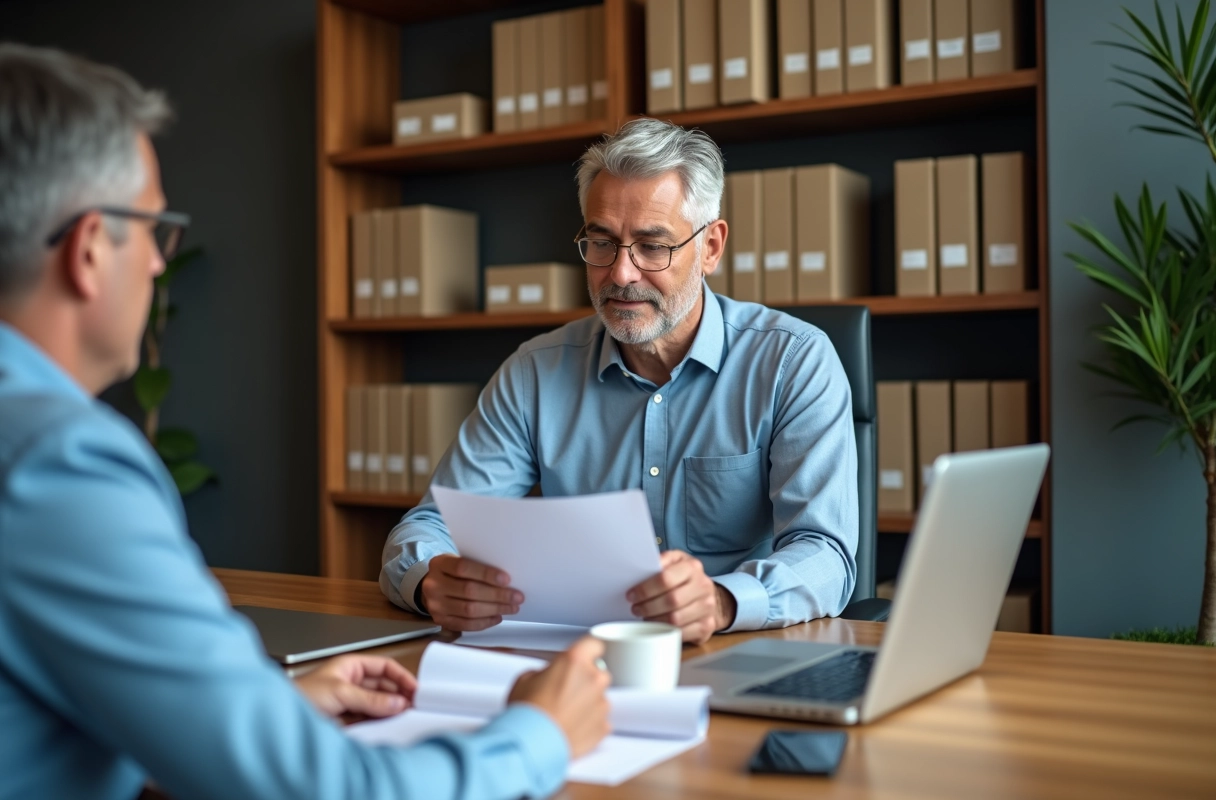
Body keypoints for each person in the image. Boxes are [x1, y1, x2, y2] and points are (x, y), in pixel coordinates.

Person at [0, 43, 610, 800]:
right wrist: (540, 736)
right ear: (91, 249)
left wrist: (262, 713)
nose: (160, 265)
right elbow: (332, 792)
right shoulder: (56, 463)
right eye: (155, 230)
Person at [381, 118, 859, 646]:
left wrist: (723, 601)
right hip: (582, 654)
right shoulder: (535, 372)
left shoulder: (794, 361)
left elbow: (826, 554)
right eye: (602, 243)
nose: (621, 274)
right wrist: (429, 581)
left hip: (736, 648)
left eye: (653, 246)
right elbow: (429, 525)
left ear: (711, 248)